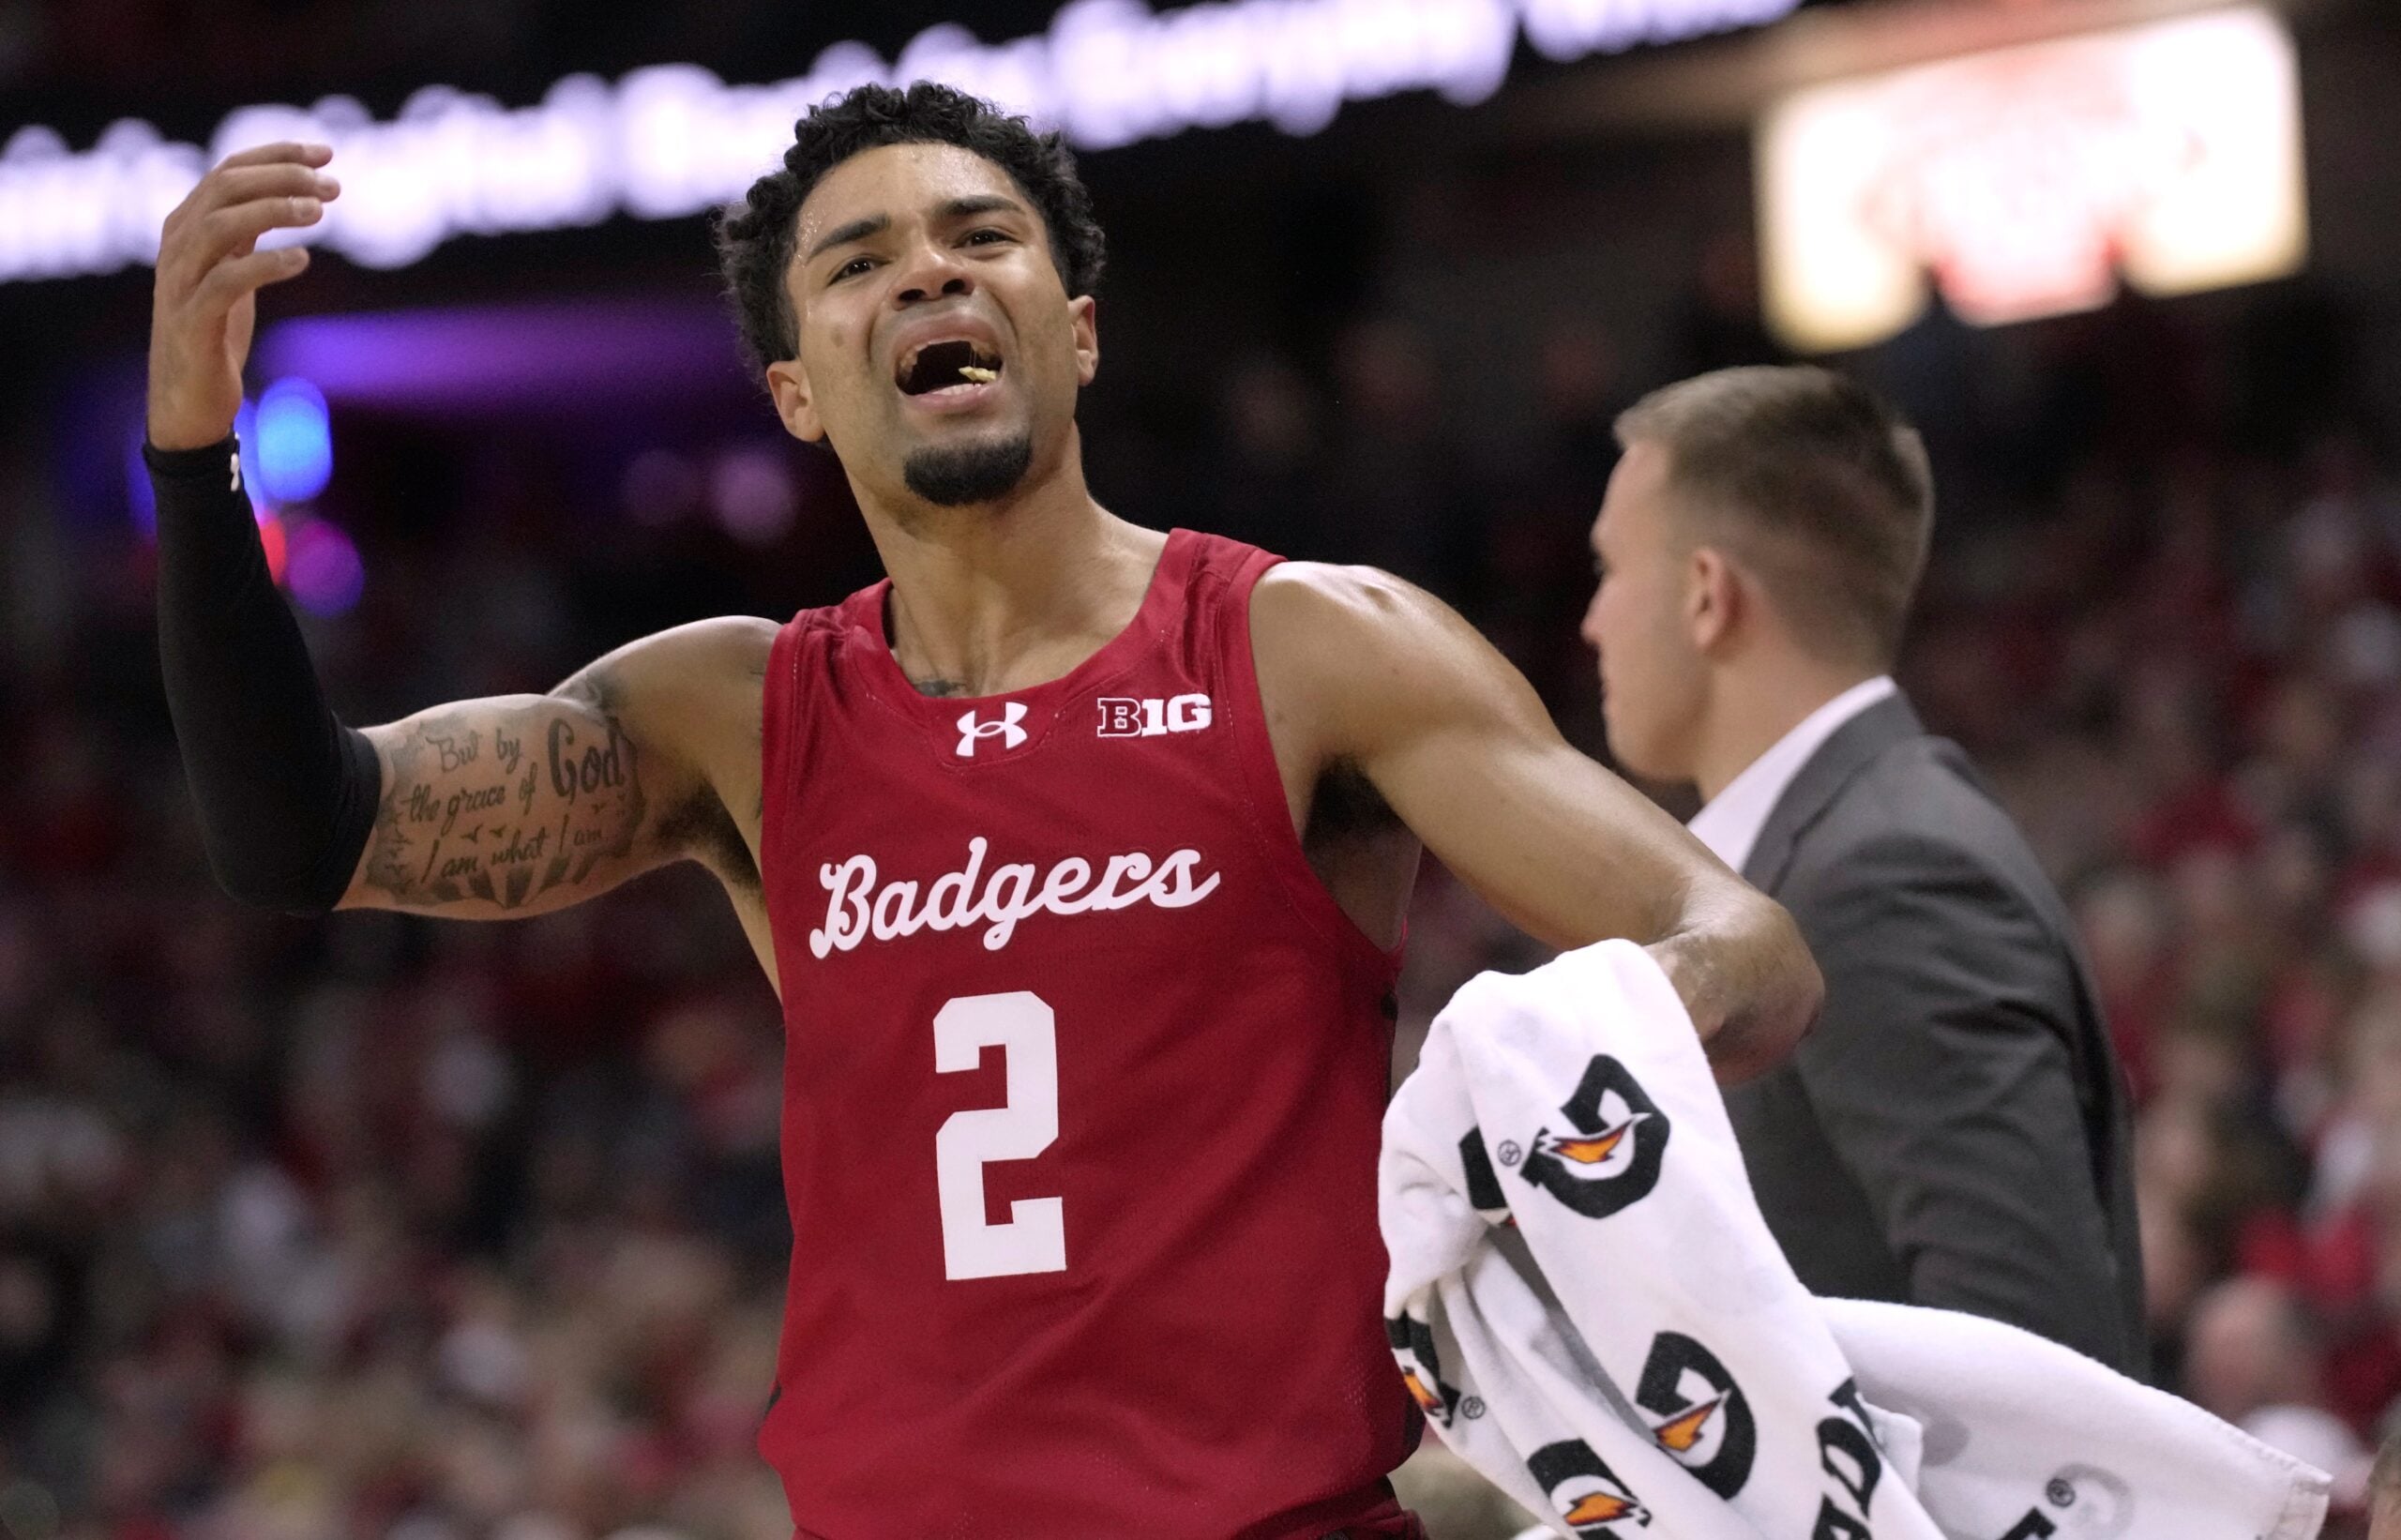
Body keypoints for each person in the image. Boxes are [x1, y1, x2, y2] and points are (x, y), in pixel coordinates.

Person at [143, 86, 1822, 1537]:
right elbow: (301, 834)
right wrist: (196, 463)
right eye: (857, 263)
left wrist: (1579, 1031)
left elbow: (1748, 944)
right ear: (799, 386)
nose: (926, 270)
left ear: (1076, 329)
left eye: (978, 235)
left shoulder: (1308, 648)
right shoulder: (736, 713)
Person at [1579, 364, 2146, 1373]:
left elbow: (2038, 1370)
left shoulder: (1879, 873)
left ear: (1707, 594)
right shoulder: (1846, 849)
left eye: (1611, 571)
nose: (1591, 620)